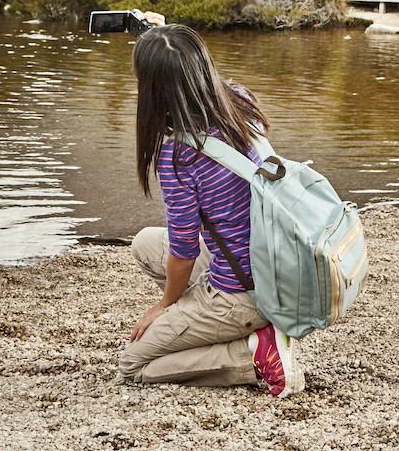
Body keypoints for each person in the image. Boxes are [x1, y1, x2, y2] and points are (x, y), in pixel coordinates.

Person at [118, 24, 304, 396]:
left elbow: (185, 252)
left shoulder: (180, 156)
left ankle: (253, 355)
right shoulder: (239, 100)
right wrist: (167, 39)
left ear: (152, 89)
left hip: (242, 292)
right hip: (275, 266)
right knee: (144, 243)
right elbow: (188, 67)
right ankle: (215, 324)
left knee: (134, 364)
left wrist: (164, 306)